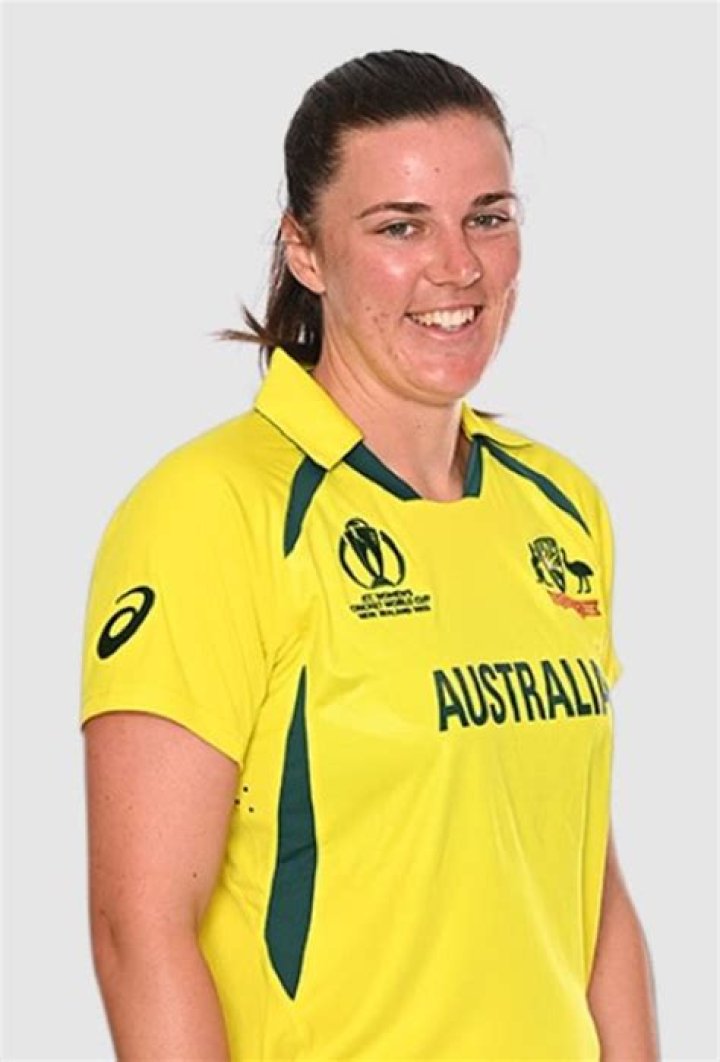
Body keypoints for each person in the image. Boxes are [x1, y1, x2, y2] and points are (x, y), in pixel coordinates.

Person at [80, 50, 660, 1061]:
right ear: (305, 251)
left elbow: (586, 881)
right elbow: (141, 929)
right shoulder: (211, 512)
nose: (458, 267)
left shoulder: (560, 507)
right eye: (401, 226)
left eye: (488, 216)